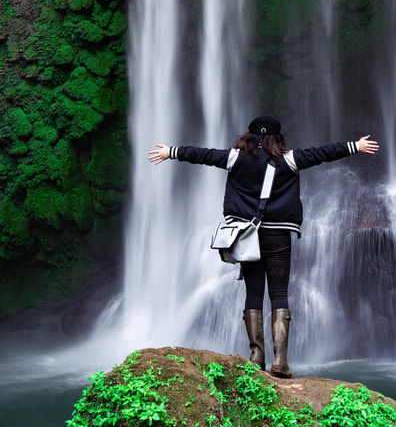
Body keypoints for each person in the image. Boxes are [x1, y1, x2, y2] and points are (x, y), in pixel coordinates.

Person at [149, 115, 379, 378]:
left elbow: (204, 155)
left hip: (247, 235)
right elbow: (322, 153)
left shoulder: (236, 158)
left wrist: (171, 152)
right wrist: (355, 146)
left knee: (253, 292)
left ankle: (256, 355)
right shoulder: (289, 160)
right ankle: (280, 361)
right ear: (277, 138)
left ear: (249, 137)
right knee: (279, 293)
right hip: (279, 235)